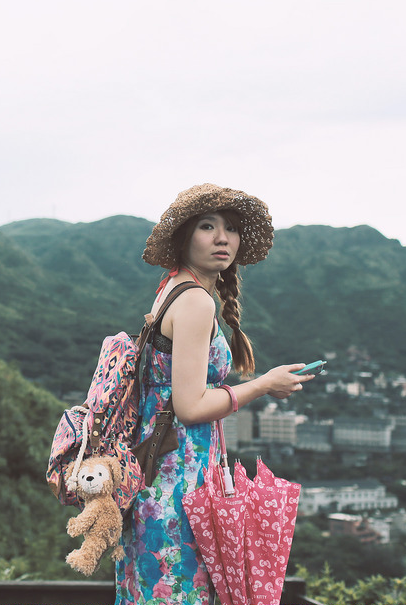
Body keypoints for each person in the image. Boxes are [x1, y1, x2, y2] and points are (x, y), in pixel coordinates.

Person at [115, 183, 315, 604]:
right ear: (185, 236)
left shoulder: (173, 288)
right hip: (177, 483)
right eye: (208, 227)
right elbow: (190, 407)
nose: (223, 238)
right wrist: (263, 384)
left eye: (231, 228)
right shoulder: (196, 303)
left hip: (153, 476)